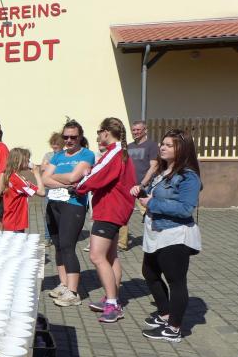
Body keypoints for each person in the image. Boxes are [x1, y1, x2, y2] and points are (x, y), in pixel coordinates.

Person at [135, 129, 201, 342]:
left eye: (168, 145)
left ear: (182, 149)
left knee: (176, 281)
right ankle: (165, 314)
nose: (162, 147)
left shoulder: (188, 176)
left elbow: (185, 209)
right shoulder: (163, 171)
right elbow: (157, 195)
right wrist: (143, 193)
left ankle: (174, 329)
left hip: (175, 233)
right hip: (156, 231)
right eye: (162, 144)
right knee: (149, 272)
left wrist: (152, 203)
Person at [75, 118, 136, 322]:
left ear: (106, 132)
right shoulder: (119, 152)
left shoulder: (114, 153)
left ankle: (112, 304)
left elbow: (97, 176)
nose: (98, 135)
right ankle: (113, 298)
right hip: (115, 210)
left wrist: (78, 185)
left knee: (96, 256)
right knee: (110, 257)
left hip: (110, 210)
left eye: (99, 131)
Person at [43, 120, 96, 307]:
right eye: (65, 137)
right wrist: (65, 183)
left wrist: (54, 176)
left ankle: (73, 292)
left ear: (80, 137)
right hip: (54, 203)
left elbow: (75, 177)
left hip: (73, 205)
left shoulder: (86, 154)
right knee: (58, 245)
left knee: (67, 246)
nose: (69, 140)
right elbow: (44, 179)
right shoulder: (58, 155)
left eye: (73, 137)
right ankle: (64, 283)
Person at [118, 121, 159, 250]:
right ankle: (121, 243)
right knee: (122, 214)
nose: (135, 132)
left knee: (149, 214)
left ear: (145, 130)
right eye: (133, 130)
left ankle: (156, 241)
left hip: (144, 187)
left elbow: (154, 166)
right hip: (128, 187)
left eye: (138, 130)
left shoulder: (152, 146)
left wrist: (142, 184)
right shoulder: (129, 147)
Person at [0, 148, 46, 233]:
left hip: (11, 219)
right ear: (19, 161)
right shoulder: (17, 179)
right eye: (27, 160)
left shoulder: (12, 176)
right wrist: (37, 174)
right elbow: (42, 192)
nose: (29, 162)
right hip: (15, 221)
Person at [41, 132, 64, 245]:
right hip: (49, 189)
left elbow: (64, 170)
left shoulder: (65, 155)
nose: (55, 146)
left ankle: (60, 236)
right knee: (48, 214)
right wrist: (55, 169)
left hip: (61, 188)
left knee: (61, 213)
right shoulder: (48, 155)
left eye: (57, 144)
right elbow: (42, 167)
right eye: (53, 144)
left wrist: (50, 168)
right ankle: (47, 236)